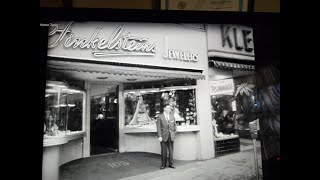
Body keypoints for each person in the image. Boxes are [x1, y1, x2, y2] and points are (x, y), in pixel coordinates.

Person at [156, 104, 177, 170]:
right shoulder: (159, 116)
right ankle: (163, 165)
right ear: (164, 108)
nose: (169, 109)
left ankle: (171, 164)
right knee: (163, 151)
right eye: (167, 108)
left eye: (169, 108)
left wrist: (174, 133)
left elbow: (175, 126)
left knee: (171, 151)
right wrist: (159, 136)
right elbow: (158, 127)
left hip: (171, 136)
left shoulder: (172, 116)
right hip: (163, 136)